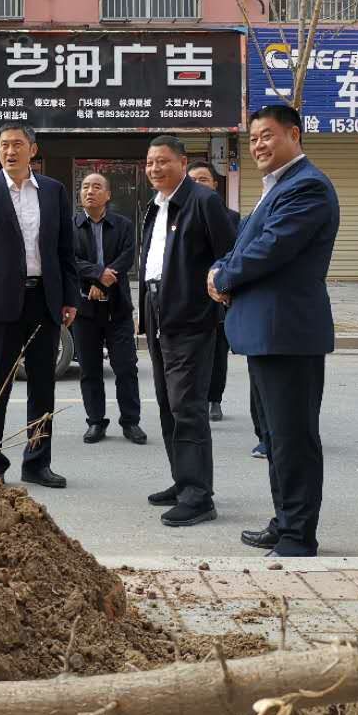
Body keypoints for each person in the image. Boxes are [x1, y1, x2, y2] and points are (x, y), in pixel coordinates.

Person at [209, 106, 339, 557]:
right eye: (253, 138)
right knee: (276, 438)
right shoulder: (277, 187)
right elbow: (244, 243)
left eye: (267, 135)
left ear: (294, 135)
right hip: (267, 332)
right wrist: (219, 267)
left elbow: (272, 248)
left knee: (293, 438)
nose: (258, 145)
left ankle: (298, 536)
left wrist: (224, 279)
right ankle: (285, 521)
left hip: (288, 331)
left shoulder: (307, 186)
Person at [0, 123, 79, 487]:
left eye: (17, 144)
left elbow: (65, 249)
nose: (9, 151)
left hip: (44, 299)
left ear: (33, 149)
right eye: (3, 145)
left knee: (42, 386)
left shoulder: (53, 191)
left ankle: (37, 462)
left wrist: (70, 297)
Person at [140, 136, 236, 527]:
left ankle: (199, 496)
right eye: (150, 162)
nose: (154, 168)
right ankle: (183, 481)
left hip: (190, 318)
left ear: (182, 163)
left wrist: (214, 298)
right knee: (167, 403)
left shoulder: (203, 201)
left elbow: (228, 255)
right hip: (157, 312)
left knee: (188, 408)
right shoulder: (156, 204)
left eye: (162, 161)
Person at [187, 161, 259, 449]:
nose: (198, 184)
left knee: (218, 350)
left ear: (214, 185)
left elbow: (234, 253)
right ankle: (193, 400)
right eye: (193, 180)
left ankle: (214, 398)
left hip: (218, 291)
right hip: (188, 294)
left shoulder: (231, 217)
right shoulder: (177, 214)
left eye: (203, 179)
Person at [73, 172, 146, 446]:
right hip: (84, 310)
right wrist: (97, 276)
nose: (90, 191)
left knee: (126, 367)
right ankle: (95, 421)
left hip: (118, 309)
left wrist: (103, 283)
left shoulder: (123, 225)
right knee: (89, 369)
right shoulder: (70, 226)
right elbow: (69, 259)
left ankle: (131, 421)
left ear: (108, 195)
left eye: (96, 187)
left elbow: (128, 257)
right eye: (85, 187)